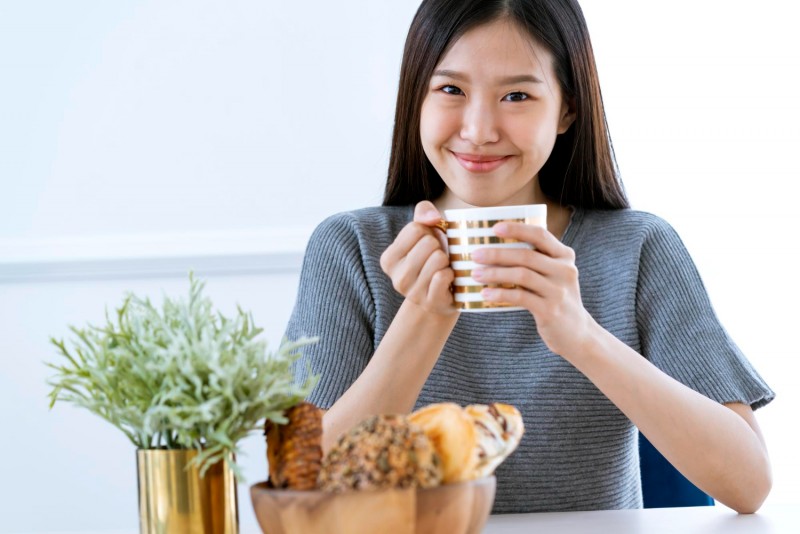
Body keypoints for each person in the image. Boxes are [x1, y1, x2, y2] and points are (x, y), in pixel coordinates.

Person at [285, 0, 774, 514]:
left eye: (516, 95)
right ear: (415, 98)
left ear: (567, 109)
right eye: (450, 90)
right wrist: (424, 317)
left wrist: (580, 336)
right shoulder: (350, 247)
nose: (479, 130)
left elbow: (749, 484)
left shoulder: (638, 248)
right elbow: (298, 490)